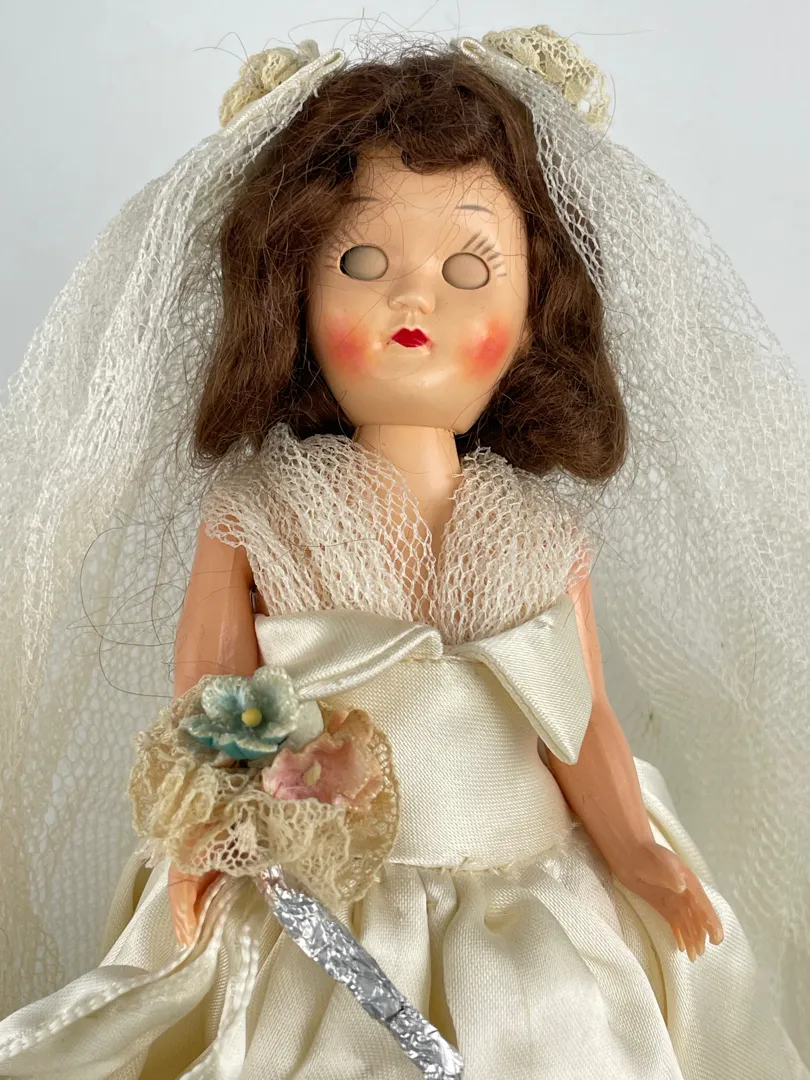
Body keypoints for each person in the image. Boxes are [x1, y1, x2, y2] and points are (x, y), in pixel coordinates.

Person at [0, 25, 807, 1079]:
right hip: (317, 905)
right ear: (295, 296)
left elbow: (582, 725)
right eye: (362, 262)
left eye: (470, 268)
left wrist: (636, 851)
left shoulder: (539, 535)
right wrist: (204, 840)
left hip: (527, 907)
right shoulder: (262, 512)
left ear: (533, 315)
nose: (413, 298)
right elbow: (208, 695)